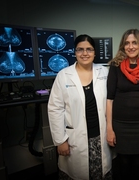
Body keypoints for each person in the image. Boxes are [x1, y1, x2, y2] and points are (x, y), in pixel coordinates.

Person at [48, 34, 113, 180]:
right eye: (80, 49)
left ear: (95, 52)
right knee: (75, 174)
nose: (85, 53)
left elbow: (111, 102)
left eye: (89, 49)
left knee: (100, 174)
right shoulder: (64, 75)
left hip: (99, 137)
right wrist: (60, 140)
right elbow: (55, 109)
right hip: (74, 139)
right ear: (75, 52)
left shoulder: (104, 72)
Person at [106, 29, 139, 180]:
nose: (130, 46)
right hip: (121, 124)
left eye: (134, 42)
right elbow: (109, 99)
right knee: (123, 162)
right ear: (123, 46)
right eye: (127, 43)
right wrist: (109, 128)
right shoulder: (115, 67)